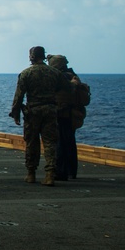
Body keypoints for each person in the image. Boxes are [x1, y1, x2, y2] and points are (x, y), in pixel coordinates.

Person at [9, 46, 66, 186]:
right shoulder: (54, 73)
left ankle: (31, 173)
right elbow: (67, 87)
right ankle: (50, 174)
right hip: (50, 111)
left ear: (32, 56)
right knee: (50, 143)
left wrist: (15, 113)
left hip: (33, 112)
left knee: (31, 142)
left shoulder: (26, 73)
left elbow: (19, 96)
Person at [47, 54, 89, 181]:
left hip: (62, 115)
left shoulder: (62, 78)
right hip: (72, 115)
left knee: (60, 144)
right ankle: (71, 171)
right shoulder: (73, 76)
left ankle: (61, 171)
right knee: (70, 143)